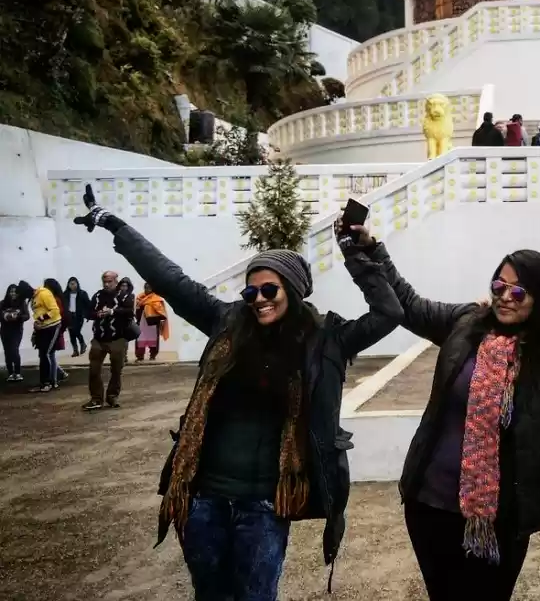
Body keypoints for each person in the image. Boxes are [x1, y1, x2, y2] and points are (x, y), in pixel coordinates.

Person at [71, 183, 404, 598]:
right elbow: (168, 278)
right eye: (250, 291)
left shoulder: (324, 340)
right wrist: (113, 224)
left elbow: (389, 312)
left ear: (292, 290)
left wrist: (356, 251)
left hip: (264, 506)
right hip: (203, 499)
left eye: (269, 290)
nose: (258, 299)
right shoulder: (226, 322)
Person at [335, 193, 540, 601]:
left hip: (502, 515)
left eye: (518, 292)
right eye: (499, 285)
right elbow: (408, 303)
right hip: (430, 504)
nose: (504, 296)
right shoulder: (465, 323)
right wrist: (371, 249)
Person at [83, 270, 136, 410]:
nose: (106, 284)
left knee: (116, 370)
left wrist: (112, 312)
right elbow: (87, 313)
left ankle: (112, 396)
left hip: (118, 338)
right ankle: (96, 399)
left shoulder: (124, 296)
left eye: (109, 281)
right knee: (94, 369)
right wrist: (97, 314)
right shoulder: (97, 296)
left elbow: (130, 312)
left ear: (116, 281)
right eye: (104, 282)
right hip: (99, 338)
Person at [29, 278, 64, 393]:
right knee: (47, 355)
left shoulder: (49, 296)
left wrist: (40, 319)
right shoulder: (37, 297)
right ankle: (52, 379)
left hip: (53, 327)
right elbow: (38, 314)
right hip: (44, 328)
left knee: (48, 354)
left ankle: (51, 381)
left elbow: (56, 312)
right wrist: (37, 325)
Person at [135, 281, 170, 361]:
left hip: (153, 323)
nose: (147, 289)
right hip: (141, 323)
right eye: (146, 287)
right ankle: (140, 356)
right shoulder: (140, 298)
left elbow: (161, 311)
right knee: (140, 340)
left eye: (149, 288)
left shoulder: (156, 298)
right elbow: (137, 310)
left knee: (153, 341)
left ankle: (153, 356)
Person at [2, 283, 29, 382]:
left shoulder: (22, 303)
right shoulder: (2, 303)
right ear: (8, 293)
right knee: (7, 352)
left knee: (14, 350)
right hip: (5, 331)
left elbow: (27, 316)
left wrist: (18, 317)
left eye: (15, 292)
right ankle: (10, 373)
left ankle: (17, 373)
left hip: (17, 331)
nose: (13, 293)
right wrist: (6, 316)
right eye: (11, 291)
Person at [64, 276, 92, 357]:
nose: (72, 285)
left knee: (76, 331)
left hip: (79, 316)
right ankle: (75, 350)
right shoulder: (65, 294)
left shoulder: (82, 293)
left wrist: (87, 314)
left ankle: (82, 344)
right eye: (71, 284)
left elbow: (88, 304)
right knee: (71, 334)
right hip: (69, 316)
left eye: (74, 284)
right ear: (68, 285)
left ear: (77, 284)